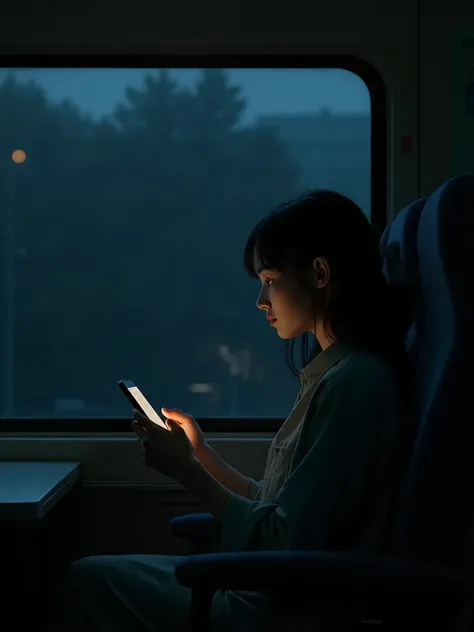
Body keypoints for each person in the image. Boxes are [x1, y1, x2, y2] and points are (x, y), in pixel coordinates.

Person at [53, 190, 413, 631]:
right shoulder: (332, 376)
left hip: (280, 610)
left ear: (320, 273)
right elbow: (276, 506)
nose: (262, 300)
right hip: (269, 592)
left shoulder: (355, 385)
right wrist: (202, 455)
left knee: (88, 579)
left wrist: (187, 471)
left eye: (269, 280)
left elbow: (283, 541)